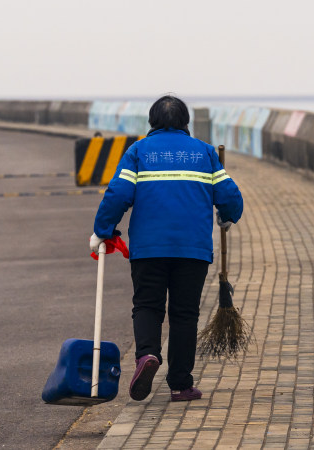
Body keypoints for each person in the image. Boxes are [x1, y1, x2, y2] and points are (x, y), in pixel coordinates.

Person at [90, 95, 243, 402]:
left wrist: (102, 231)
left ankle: (147, 355)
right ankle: (180, 384)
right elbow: (230, 196)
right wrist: (226, 218)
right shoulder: (205, 152)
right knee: (185, 314)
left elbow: (118, 193)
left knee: (147, 305)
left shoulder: (138, 151)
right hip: (193, 249)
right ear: (186, 122)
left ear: (152, 122)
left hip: (149, 248)